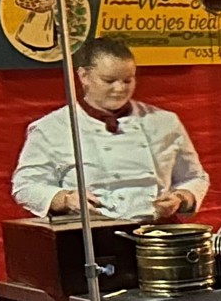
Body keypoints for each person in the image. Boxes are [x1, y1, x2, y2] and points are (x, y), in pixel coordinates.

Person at [12, 36, 209, 220]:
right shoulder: (52, 128)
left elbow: (195, 177)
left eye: (127, 80)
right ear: (84, 76)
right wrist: (64, 198)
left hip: (156, 234)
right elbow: (25, 186)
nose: (120, 88)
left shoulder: (164, 122)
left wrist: (181, 198)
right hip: (91, 234)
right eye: (109, 81)